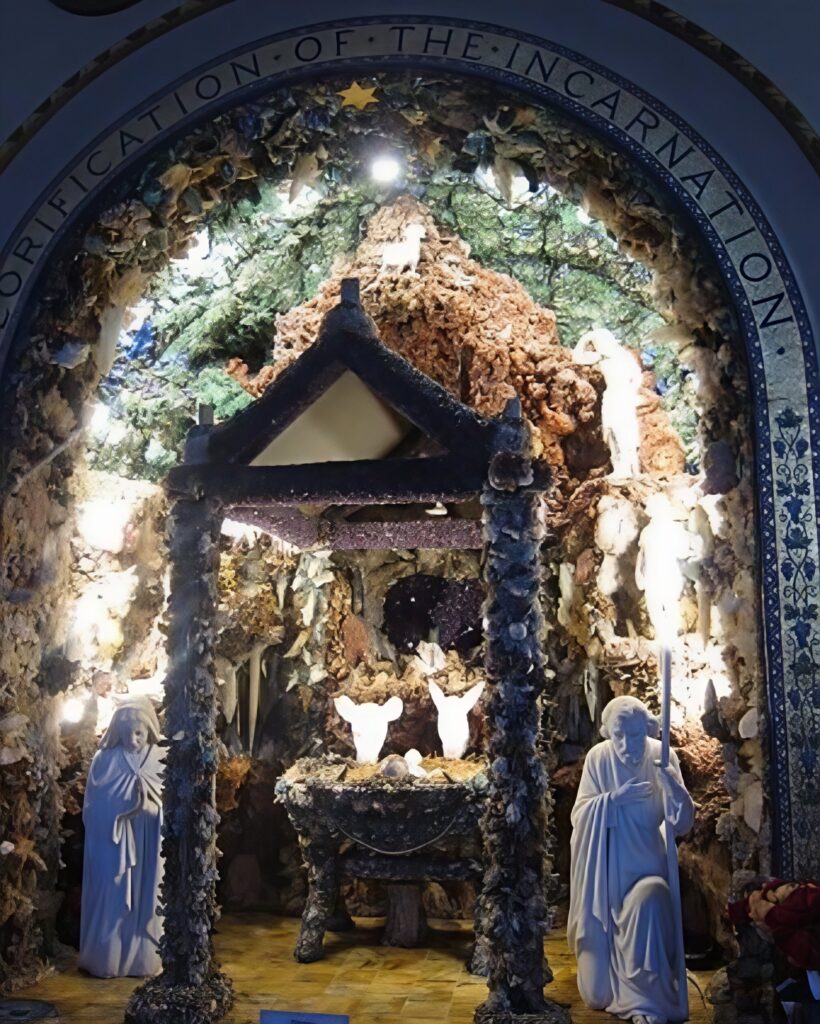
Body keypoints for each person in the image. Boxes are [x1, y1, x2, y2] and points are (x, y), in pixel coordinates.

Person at [568, 696, 694, 1024]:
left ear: (647, 729)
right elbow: (579, 816)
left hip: (648, 870)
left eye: (635, 734)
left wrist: (674, 787)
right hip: (606, 879)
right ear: (608, 733)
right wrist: (612, 801)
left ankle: (646, 1005)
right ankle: (623, 983)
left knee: (650, 899)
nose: (627, 744)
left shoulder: (663, 757)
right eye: (619, 735)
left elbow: (681, 823)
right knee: (596, 995)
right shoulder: (598, 758)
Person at [79, 698, 165, 978]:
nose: (133, 740)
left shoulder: (160, 757)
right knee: (111, 895)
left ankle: (144, 958)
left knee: (147, 897)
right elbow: (93, 808)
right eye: (127, 734)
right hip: (114, 843)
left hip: (149, 840)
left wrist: (152, 809)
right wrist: (122, 810)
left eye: (139, 733)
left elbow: (171, 801)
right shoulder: (105, 759)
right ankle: (107, 958)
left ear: (149, 729)